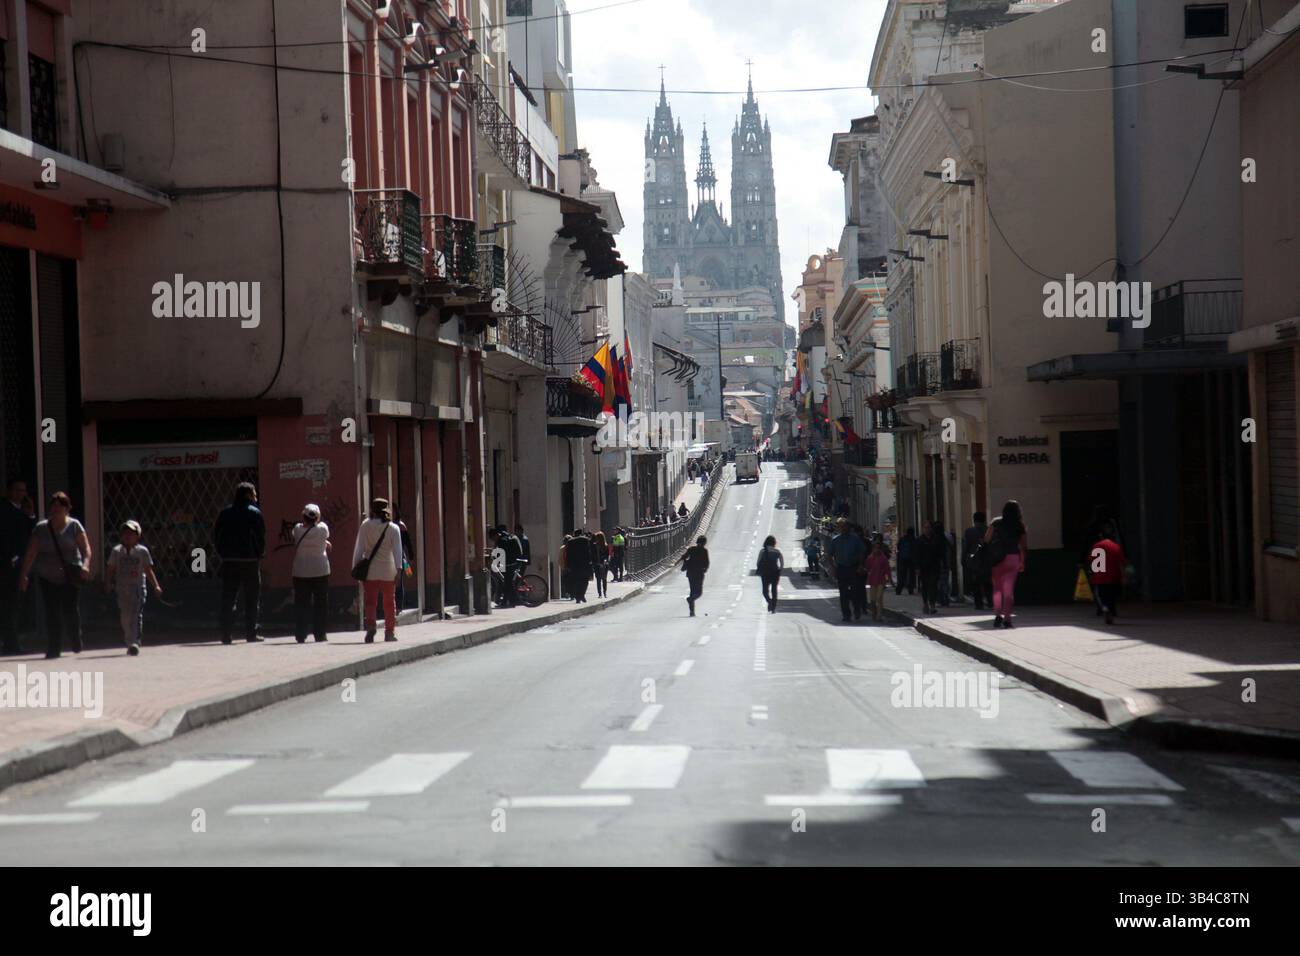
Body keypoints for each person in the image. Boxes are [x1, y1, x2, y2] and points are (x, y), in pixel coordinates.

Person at [17, 491, 91, 659]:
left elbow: (85, 548)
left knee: (70, 609)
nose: (56, 509)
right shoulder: (41, 528)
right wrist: (24, 574)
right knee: (52, 612)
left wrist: (85, 565)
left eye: (60, 506)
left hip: (69, 575)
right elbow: (31, 552)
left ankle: (75, 637)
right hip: (47, 576)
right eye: (53, 506)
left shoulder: (74, 526)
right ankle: (54, 647)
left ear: (67, 508)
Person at [214, 482, 266, 644]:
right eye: (254, 493)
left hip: (229, 561)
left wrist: (223, 554)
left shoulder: (225, 513)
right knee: (252, 599)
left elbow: (217, 536)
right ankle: (251, 633)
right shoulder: (255, 513)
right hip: (250, 561)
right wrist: (258, 554)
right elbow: (260, 537)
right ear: (249, 495)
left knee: (228, 598)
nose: (256, 497)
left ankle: (226, 634)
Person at [105, 520, 162, 656]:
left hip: (138, 588)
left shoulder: (142, 552)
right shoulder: (116, 551)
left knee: (136, 614)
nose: (128, 536)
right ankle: (128, 639)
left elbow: (148, 570)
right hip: (122, 588)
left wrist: (156, 586)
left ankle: (134, 642)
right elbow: (111, 569)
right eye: (125, 533)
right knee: (125, 616)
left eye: (131, 533)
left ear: (138, 536)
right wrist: (108, 583)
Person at [353, 498, 403, 642]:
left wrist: (355, 566)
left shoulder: (365, 526)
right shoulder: (393, 528)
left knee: (370, 602)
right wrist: (399, 569)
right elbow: (397, 550)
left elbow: (359, 548)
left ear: (372, 510)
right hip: (388, 570)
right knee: (389, 603)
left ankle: (371, 627)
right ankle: (389, 632)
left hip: (370, 571)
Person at [1, 478, 35, 655]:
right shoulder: (5, 510)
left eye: (23, 491)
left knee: (17, 603)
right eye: (17, 490)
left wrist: (30, 515)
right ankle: (11, 642)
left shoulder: (21, 512)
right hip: (9, 565)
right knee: (10, 604)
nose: (20, 494)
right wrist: (12, 557)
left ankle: (13, 639)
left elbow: (30, 534)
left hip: (22, 563)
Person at [290, 504, 331, 643]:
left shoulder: (297, 529)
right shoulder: (323, 529)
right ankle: (320, 634)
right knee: (321, 604)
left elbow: (296, 536)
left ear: (303, 516)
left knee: (301, 604)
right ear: (317, 517)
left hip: (301, 571)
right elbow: (323, 536)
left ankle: (301, 634)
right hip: (320, 570)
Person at [984, 500, 1028, 628]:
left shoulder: (996, 522)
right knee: (1008, 591)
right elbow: (1023, 546)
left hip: (997, 559)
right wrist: (1022, 561)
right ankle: (1007, 619)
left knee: (997, 589)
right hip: (1013, 558)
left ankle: (998, 615)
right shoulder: (1020, 525)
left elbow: (987, 539)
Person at [828, 518, 867, 623]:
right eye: (840, 526)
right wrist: (833, 567)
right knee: (843, 593)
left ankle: (857, 610)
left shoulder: (855, 539)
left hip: (853, 567)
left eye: (844, 526)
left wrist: (861, 565)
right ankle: (846, 614)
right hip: (841, 568)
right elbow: (829, 554)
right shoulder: (835, 540)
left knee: (856, 591)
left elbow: (861, 552)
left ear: (848, 527)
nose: (843, 528)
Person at [1088, 521, 1126, 625]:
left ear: (1101, 535)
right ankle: (1109, 607)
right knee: (1112, 595)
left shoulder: (1096, 546)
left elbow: (1093, 562)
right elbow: (1121, 563)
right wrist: (1123, 576)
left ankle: (1104, 607)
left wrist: (1092, 575)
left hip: (1100, 577)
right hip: (1113, 576)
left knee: (1101, 595)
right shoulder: (1115, 547)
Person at [962, 512, 992, 610]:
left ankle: (978, 604)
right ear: (984, 519)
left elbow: (966, 547)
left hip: (974, 561)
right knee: (988, 583)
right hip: (988, 561)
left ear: (974, 520)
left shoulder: (969, 532)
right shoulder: (989, 530)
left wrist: (963, 559)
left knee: (975, 584)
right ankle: (991, 601)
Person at [915, 520, 943, 615]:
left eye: (929, 528)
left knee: (933, 585)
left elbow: (940, 553)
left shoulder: (936, 539)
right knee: (925, 586)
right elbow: (916, 555)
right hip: (923, 567)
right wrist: (917, 568)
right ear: (923, 529)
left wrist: (942, 564)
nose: (927, 530)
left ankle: (932, 605)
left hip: (934, 566)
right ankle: (925, 603)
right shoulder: (919, 540)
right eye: (925, 528)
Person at [865, 538, 892, 622]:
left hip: (881, 581)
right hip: (873, 581)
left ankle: (879, 615)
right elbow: (867, 568)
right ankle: (874, 613)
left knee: (879, 598)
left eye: (878, 548)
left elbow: (887, 569)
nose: (876, 550)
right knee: (872, 599)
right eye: (875, 548)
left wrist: (889, 579)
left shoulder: (883, 558)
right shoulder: (870, 558)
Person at [681, 535, 710, 616]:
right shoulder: (704, 551)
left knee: (692, 591)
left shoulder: (691, 549)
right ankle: (690, 601)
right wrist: (705, 569)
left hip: (691, 573)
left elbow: (684, 557)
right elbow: (707, 563)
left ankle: (692, 611)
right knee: (698, 592)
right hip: (699, 573)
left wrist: (685, 561)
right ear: (704, 543)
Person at [756, 535, 783, 613]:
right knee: (774, 590)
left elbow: (758, 562)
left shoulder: (762, 551)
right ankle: (773, 607)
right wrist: (780, 570)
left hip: (765, 573)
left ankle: (769, 602)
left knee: (765, 591)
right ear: (774, 543)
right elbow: (782, 562)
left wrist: (760, 569)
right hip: (775, 572)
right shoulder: (777, 551)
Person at [565, 529, 593, 603]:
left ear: (574, 534)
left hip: (574, 565)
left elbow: (568, 555)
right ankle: (582, 595)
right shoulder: (586, 540)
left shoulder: (570, 541)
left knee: (576, 581)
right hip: (585, 564)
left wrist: (568, 565)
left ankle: (578, 597)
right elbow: (589, 553)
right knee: (584, 581)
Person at [895, 527, 916, 596]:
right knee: (911, 575)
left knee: (902, 575)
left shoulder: (902, 539)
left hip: (903, 559)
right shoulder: (913, 539)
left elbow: (898, 547)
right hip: (911, 559)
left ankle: (899, 590)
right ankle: (910, 589)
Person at [592, 531, 610, 598]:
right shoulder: (594, 546)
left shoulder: (605, 546)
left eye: (597, 538)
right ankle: (599, 594)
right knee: (598, 579)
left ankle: (604, 592)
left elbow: (607, 555)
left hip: (604, 564)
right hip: (597, 564)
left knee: (604, 579)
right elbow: (593, 555)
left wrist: (605, 561)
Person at [559, 533, 572, 599]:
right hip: (565, 567)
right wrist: (563, 567)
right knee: (566, 581)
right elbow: (560, 558)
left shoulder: (573, 548)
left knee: (571, 580)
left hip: (571, 567)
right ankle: (567, 593)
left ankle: (571, 593)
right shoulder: (562, 548)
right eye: (566, 540)